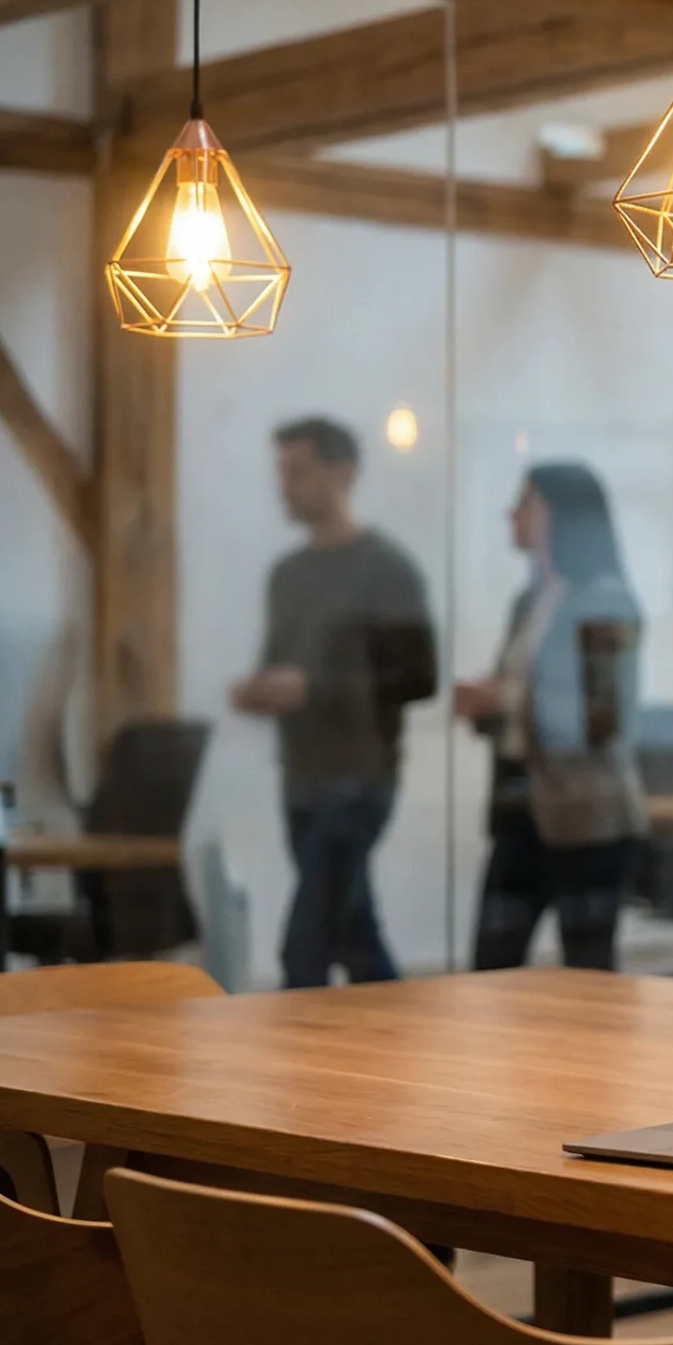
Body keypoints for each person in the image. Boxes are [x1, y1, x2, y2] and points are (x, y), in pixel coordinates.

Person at [230, 417, 437, 989]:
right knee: (353, 933)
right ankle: (403, 1034)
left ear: (341, 474)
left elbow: (416, 677)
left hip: (359, 778)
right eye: (282, 473)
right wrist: (259, 691)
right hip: (301, 777)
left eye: (297, 472)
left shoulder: (388, 570)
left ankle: (299, 1049)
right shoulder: (287, 576)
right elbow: (280, 665)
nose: (285, 486)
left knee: (306, 945)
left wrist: (314, 688)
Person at [455, 463, 648, 972]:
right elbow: (520, 709)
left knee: (588, 971)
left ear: (563, 516)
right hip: (521, 806)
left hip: (588, 816)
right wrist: (484, 704)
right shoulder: (527, 603)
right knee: (492, 964)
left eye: (526, 503)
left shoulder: (607, 600)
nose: (511, 514)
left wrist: (507, 698)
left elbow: (603, 718)